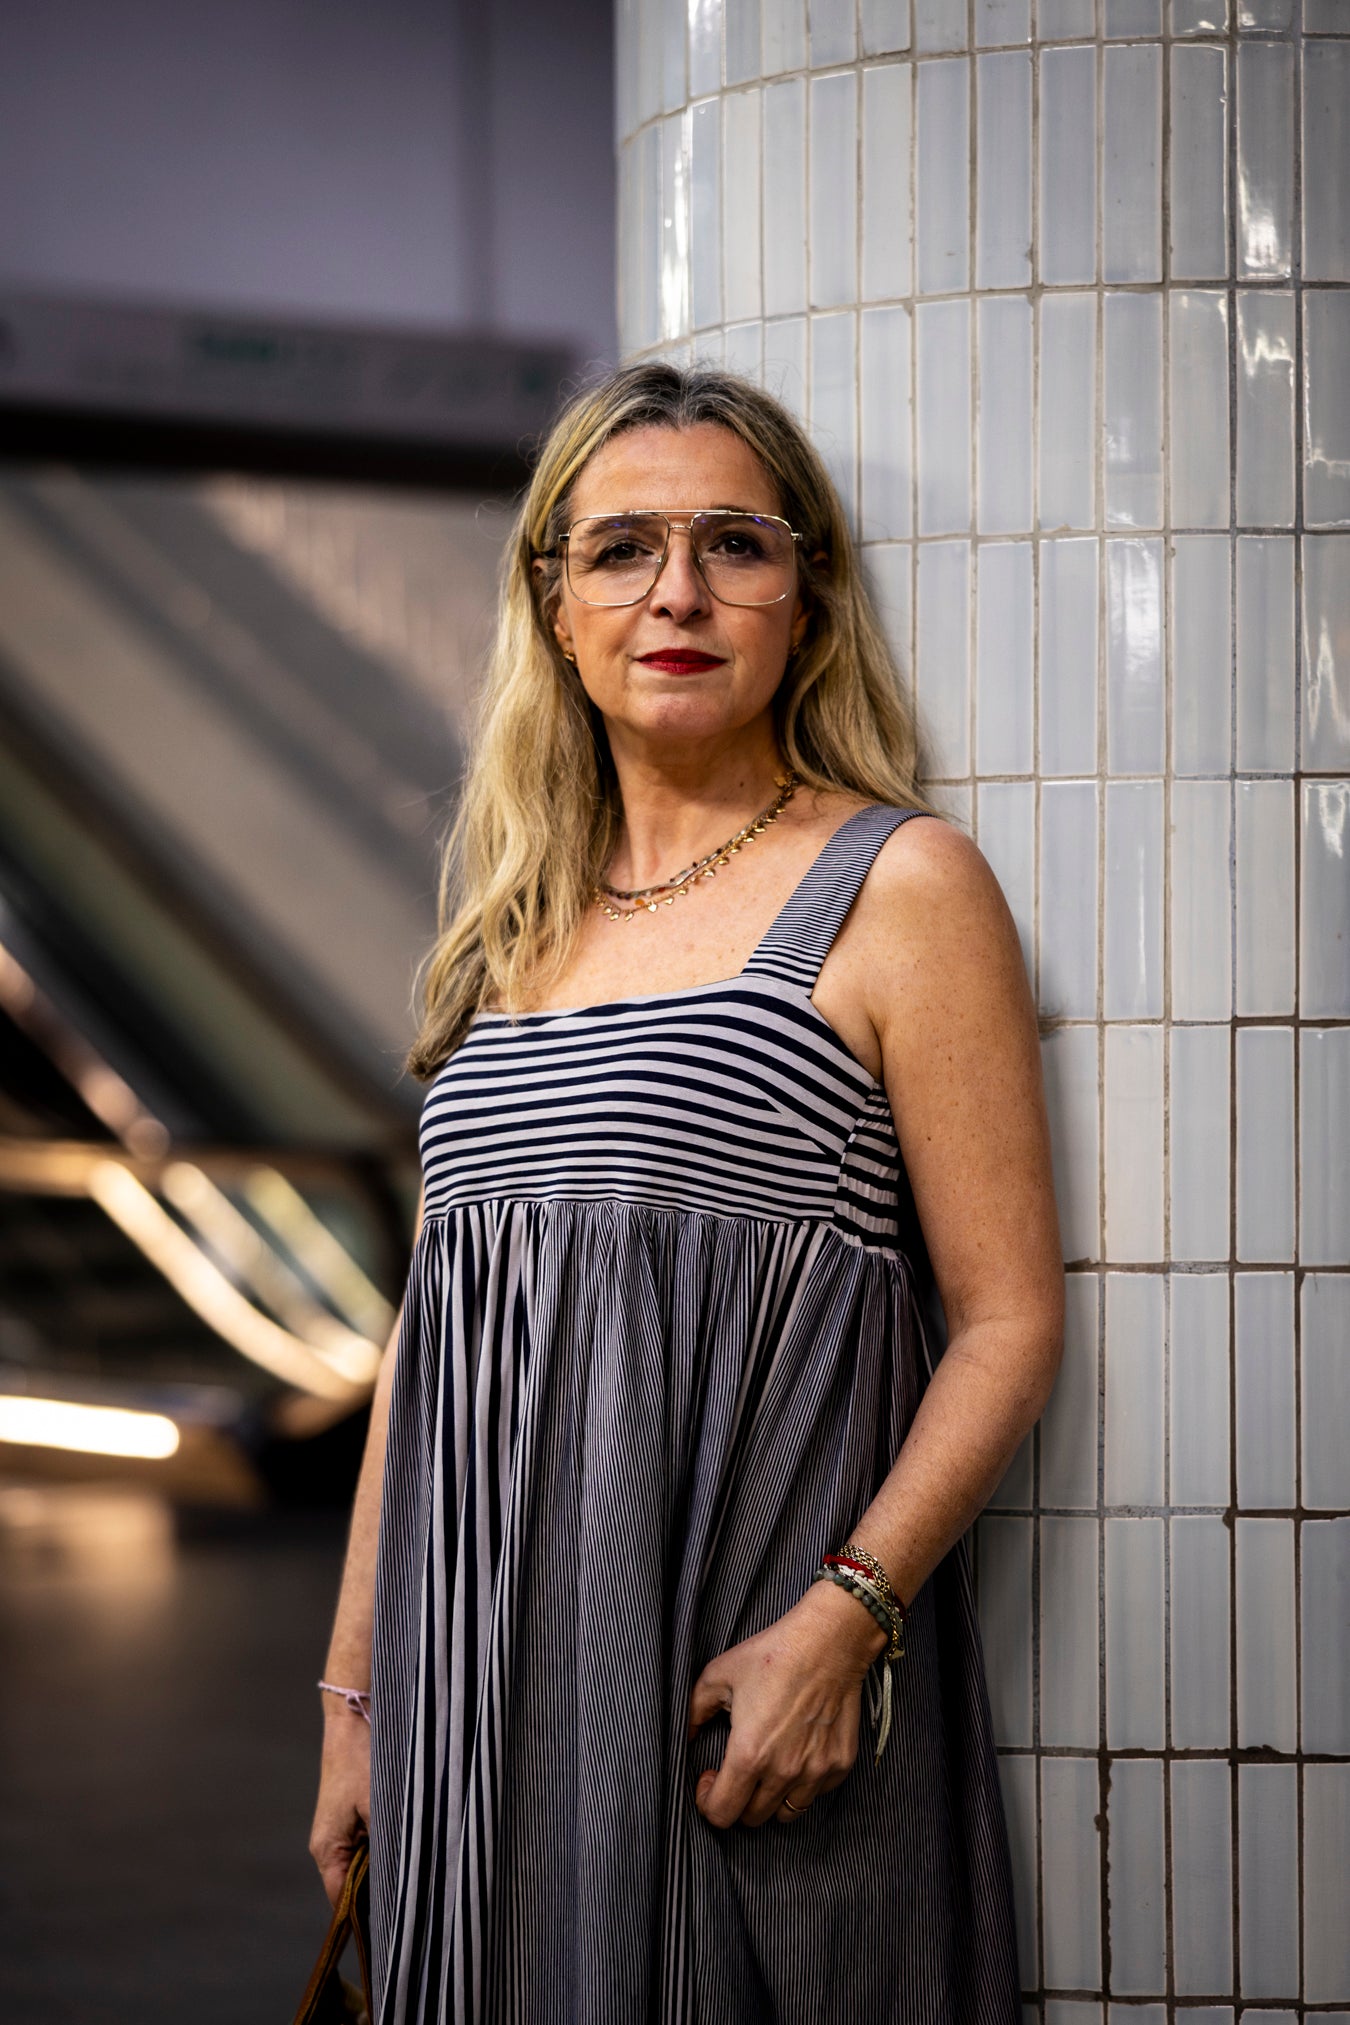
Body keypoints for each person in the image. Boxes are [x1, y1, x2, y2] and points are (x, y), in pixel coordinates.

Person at [309, 361, 1064, 2025]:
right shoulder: (509, 927)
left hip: (733, 1681)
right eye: (620, 549)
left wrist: (843, 1623)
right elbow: (430, 1337)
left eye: (734, 544)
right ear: (554, 607)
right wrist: (356, 1695)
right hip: (471, 1695)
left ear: (807, 597)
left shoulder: (899, 884)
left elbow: (1008, 1321)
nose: (676, 593)